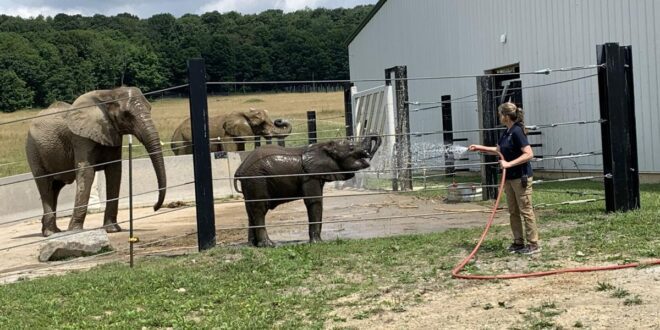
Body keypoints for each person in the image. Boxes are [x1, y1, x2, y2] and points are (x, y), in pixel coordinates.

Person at [468, 102, 540, 255]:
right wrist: (480, 147)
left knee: (525, 210)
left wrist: (508, 164)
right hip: (509, 178)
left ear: (506, 116)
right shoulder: (507, 132)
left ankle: (533, 243)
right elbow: (498, 150)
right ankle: (518, 242)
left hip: (521, 178)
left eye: (500, 114)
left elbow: (529, 154)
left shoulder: (517, 132)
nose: (499, 117)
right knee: (513, 211)